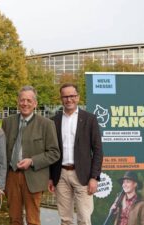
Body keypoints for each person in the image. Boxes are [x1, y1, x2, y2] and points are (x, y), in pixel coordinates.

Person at [2, 85, 60, 225]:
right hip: (12, 177)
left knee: (32, 220)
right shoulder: (7, 122)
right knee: (14, 219)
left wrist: (32, 161)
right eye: (22, 100)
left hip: (34, 177)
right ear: (18, 102)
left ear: (35, 104)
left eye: (29, 100)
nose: (25, 103)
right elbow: (2, 151)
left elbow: (54, 153)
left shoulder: (46, 124)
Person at [48, 83, 103, 225]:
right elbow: (50, 151)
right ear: (61, 99)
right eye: (65, 96)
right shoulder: (54, 121)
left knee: (84, 219)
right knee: (65, 219)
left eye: (72, 96)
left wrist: (94, 177)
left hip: (83, 176)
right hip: (60, 175)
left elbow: (97, 150)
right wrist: (50, 177)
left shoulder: (90, 119)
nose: (69, 99)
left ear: (78, 97)